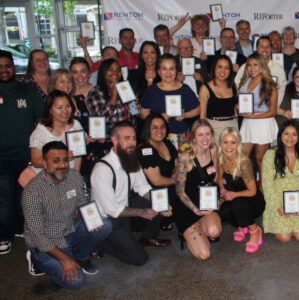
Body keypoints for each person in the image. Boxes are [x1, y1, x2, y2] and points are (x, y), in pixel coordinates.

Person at [22, 141, 112, 289]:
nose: (62, 165)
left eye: (65, 160)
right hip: (46, 240)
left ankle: (80, 257)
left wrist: (92, 219)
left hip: (69, 227)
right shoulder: (32, 192)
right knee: (76, 282)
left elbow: (82, 202)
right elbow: (37, 235)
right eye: (55, 161)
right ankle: (36, 258)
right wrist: (64, 260)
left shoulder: (74, 177)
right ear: (44, 163)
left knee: (105, 225)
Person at [91, 121, 172, 266]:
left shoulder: (131, 158)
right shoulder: (102, 169)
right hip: (109, 219)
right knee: (139, 259)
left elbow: (143, 187)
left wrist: (162, 203)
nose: (132, 142)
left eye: (133, 138)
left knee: (157, 197)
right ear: (114, 140)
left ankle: (147, 237)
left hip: (126, 207)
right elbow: (112, 210)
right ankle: (101, 242)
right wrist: (142, 211)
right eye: (126, 138)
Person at [0, 50, 44, 255]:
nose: (4, 70)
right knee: (4, 199)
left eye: (7, 65)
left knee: (23, 197)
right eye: (0, 66)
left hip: (26, 156)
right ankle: (3, 236)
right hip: (2, 158)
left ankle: (18, 228)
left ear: (14, 67)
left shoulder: (27, 91)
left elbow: (42, 118)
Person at [173, 120, 222, 259]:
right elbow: (179, 192)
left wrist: (217, 199)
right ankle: (187, 232)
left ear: (212, 135)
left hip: (205, 201)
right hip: (187, 205)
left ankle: (202, 225)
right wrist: (196, 210)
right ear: (193, 137)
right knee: (204, 254)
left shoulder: (213, 150)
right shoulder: (185, 158)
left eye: (208, 134)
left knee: (215, 231)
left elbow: (215, 178)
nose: (205, 139)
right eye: (200, 135)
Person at [262, 121, 299, 242]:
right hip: (278, 201)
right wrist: (277, 206)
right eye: (286, 134)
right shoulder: (270, 155)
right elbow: (267, 185)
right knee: (284, 238)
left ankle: (296, 220)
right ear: (280, 135)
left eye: (294, 134)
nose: (290, 138)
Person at [217, 127, 265, 252]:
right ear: (220, 143)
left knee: (238, 203)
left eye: (233, 142)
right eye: (225, 142)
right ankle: (241, 224)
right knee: (223, 212)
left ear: (238, 144)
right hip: (234, 198)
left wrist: (233, 194)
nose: (229, 146)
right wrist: (223, 191)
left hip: (253, 201)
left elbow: (253, 191)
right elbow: (219, 179)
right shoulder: (222, 159)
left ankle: (254, 230)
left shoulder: (244, 164)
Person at [140, 54, 200, 152]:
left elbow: (198, 109)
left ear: (176, 71)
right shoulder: (152, 90)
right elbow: (143, 113)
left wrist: (185, 115)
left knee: (183, 165)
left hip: (181, 135)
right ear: (159, 71)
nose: (168, 72)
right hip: (157, 136)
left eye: (171, 69)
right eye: (164, 69)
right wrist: (159, 118)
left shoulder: (184, 89)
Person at [237, 53, 279, 177]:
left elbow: (273, 112)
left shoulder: (269, 85)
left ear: (262, 66)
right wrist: (238, 106)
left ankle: (263, 188)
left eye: (255, 65)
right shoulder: (244, 82)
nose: (252, 68)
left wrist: (254, 116)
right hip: (248, 123)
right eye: (249, 65)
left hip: (262, 123)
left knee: (260, 159)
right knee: (242, 157)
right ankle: (247, 186)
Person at [136, 114, 178, 232]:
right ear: (147, 129)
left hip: (170, 185)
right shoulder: (144, 150)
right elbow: (157, 181)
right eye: (154, 127)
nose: (159, 131)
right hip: (154, 192)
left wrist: (177, 175)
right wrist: (176, 180)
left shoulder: (167, 143)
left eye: (162, 126)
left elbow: (176, 164)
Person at [30, 90, 83, 174]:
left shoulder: (76, 126)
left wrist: (75, 178)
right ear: (50, 110)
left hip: (69, 176)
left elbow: (79, 156)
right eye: (59, 107)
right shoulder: (41, 131)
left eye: (67, 106)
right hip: (47, 179)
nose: (65, 111)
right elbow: (36, 161)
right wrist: (60, 159)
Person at [199, 55, 238, 143]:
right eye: (220, 67)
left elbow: (235, 106)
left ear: (230, 70)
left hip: (232, 126)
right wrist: (204, 134)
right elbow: (202, 115)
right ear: (214, 68)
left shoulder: (234, 86)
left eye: (227, 68)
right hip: (214, 128)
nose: (223, 71)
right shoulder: (205, 88)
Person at [87, 58, 132, 133]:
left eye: (118, 70)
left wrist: (136, 106)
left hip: (128, 134)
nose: (115, 73)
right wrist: (114, 95)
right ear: (103, 72)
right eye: (110, 69)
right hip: (110, 138)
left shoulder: (124, 88)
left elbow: (131, 115)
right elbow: (101, 119)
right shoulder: (96, 92)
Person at [69, 57, 95, 129]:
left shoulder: (98, 92)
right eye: (75, 72)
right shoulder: (67, 95)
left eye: (83, 71)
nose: (79, 76)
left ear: (89, 73)